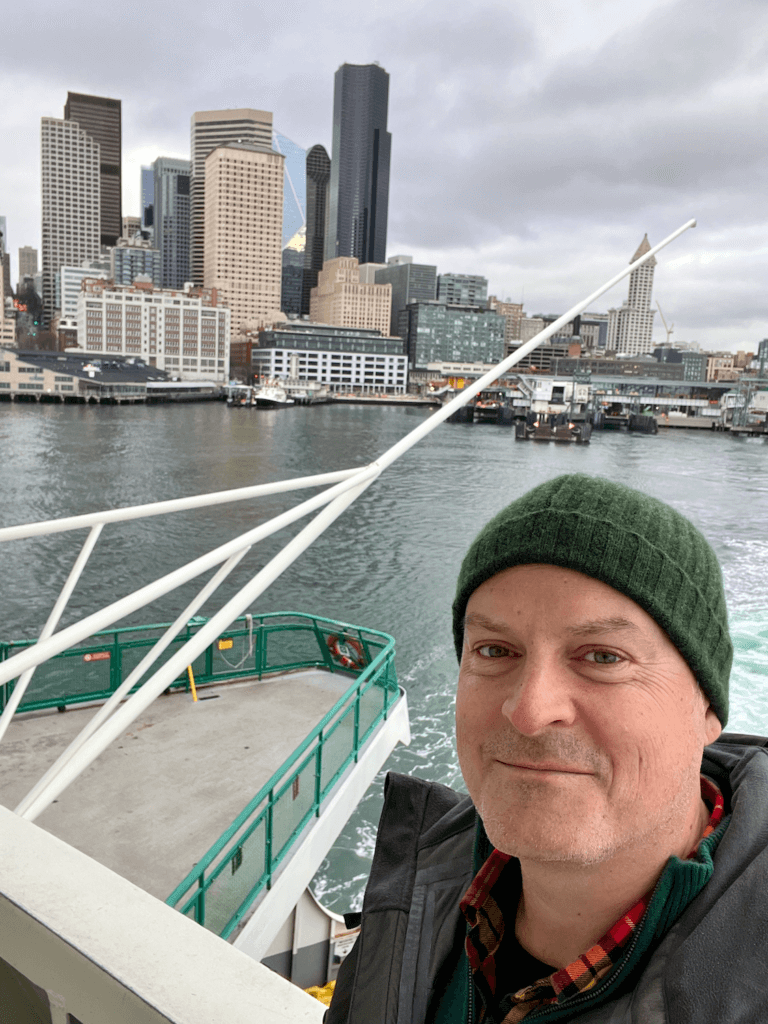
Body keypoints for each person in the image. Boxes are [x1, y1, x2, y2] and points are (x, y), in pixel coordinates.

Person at [326, 474, 768, 1023]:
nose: (530, 711)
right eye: (494, 649)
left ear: (707, 707)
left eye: (603, 657)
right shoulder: (411, 896)